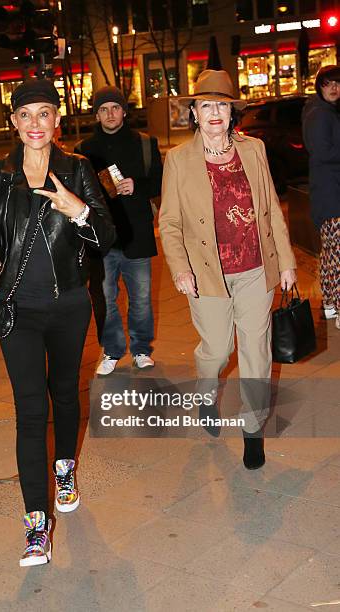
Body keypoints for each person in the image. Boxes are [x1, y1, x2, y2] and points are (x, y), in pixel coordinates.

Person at [0, 79, 115, 566]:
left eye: (45, 114)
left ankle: (65, 468)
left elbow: (107, 234)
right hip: (16, 310)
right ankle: (36, 526)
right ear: (14, 123)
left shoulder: (78, 169)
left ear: (56, 121)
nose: (36, 124)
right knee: (29, 411)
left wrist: (78, 209)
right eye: (27, 115)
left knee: (65, 393)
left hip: (69, 306)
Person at [159, 70, 297, 469]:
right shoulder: (179, 160)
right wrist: (180, 268)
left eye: (221, 104)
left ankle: (253, 431)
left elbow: (270, 208)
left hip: (255, 267)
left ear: (231, 112)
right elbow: (169, 222)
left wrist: (286, 260)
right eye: (206, 105)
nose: (214, 112)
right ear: (194, 114)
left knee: (256, 349)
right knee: (217, 349)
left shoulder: (253, 150)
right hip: (207, 274)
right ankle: (206, 393)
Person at [75, 86, 163, 375]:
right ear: (97, 114)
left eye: (115, 107)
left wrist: (137, 186)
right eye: (103, 109)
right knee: (105, 297)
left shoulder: (146, 144)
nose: (110, 114)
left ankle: (140, 349)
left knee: (141, 298)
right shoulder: (83, 150)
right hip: (101, 239)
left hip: (137, 233)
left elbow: (161, 183)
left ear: (125, 111)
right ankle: (112, 351)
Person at [302, 64, 340, 329]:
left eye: (338, 83)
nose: (334, 88)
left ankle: (329, 304)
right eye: (328, 83)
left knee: (330, 253)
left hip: (327, 192)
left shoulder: (322, 111)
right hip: (331, 193)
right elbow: (322, 153)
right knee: (337, 253)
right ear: (319, 87)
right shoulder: (321, 115)